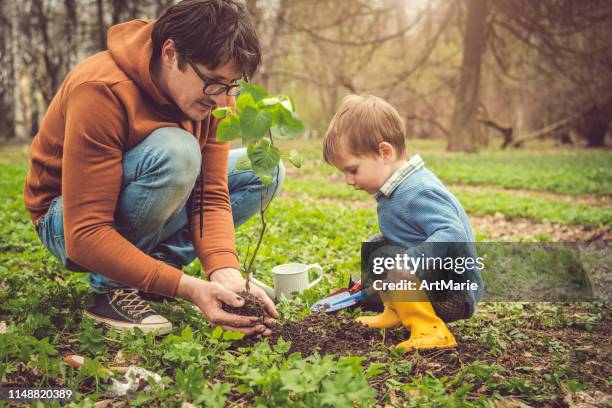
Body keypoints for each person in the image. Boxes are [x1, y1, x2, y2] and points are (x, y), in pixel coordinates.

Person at [23, 0, 280, 337]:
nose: (222, 100)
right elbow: (84, 233)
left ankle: (155, 276)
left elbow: (210, 195)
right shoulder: (100, 89)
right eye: (215, 83)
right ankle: (111, 287)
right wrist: (189, 288)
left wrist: (224, 270)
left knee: (262, 171)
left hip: (134, 203)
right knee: (179, 152)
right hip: (67, 222)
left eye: (231, 85)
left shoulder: (217, 97)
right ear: (171, 54)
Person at [322, 94, 483, 350]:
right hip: (429, 280)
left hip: (453, 293)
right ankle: (396, 312)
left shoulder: (418, 190)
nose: (349, 181)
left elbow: (453, 232)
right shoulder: (396, 188)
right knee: (378, 247)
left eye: (353, 170)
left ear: (385, 152)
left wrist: (411, 263)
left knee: (395, 260)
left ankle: (430, 329)